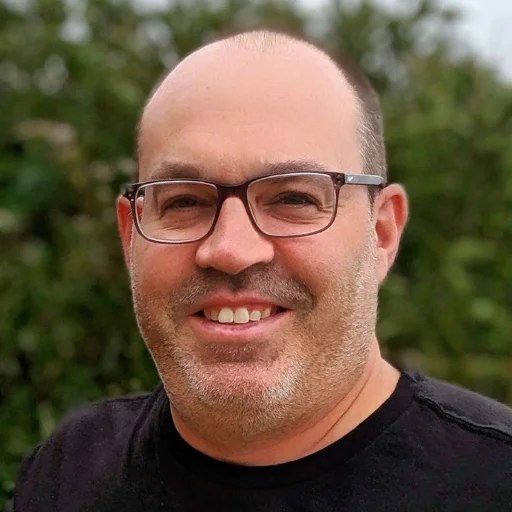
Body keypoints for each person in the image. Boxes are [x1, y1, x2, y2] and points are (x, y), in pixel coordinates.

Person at [9, 29, 512, 512]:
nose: (230, 250)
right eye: (184, 202)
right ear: (131, 237)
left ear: (382, 232)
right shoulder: (68, 474)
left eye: (293, 198)